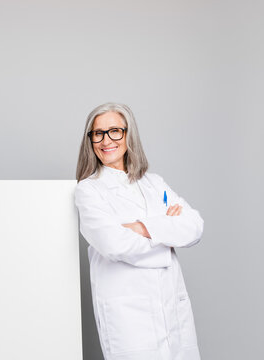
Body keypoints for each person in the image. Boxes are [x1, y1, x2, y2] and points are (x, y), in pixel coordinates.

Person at [74, 103, 203, 360]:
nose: (105, 140)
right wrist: (166, 234)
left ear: (128, 134)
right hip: (129, 314)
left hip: (171, 307)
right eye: (97, 133)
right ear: (90, 140)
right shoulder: (88, 190)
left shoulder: (155, 183)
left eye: (114, 131)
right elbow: (114, 245)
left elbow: (194, 226)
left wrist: (142, 227)